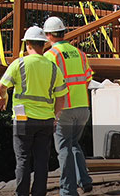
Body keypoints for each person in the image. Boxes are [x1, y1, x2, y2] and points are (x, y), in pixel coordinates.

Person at [0, 26, 68, 196]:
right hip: (46, 121)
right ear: (44, 45)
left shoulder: (19, 64)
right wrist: (56, 117)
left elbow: (0, 87)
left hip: (23, 119)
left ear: (27, 44)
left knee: (23, 160)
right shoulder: (53, 67)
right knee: (42, 161)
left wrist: (3, 98)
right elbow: (61, 97)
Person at [43, 16, 94, 195]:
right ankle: (84, 181)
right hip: (83, 108)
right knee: (73, 144)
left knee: (64, 148)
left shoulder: (50, 55)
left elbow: (47, 85)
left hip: (64, 109)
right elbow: (87, 79)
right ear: (64, 33)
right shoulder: (79, 53)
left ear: (48, 35)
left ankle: (68, 190)